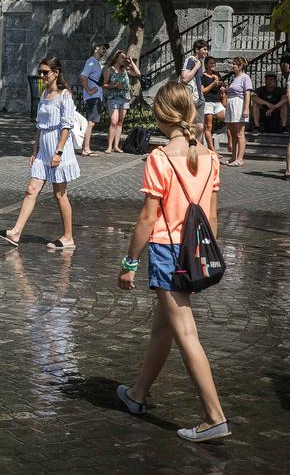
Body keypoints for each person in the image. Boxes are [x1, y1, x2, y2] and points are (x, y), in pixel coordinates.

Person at [115, 81, 229, 444]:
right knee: (163, 329)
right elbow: (212, 219)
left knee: (186, 333)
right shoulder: (210, 157)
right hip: (194, 253)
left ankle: (214, 417)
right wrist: (203, 259)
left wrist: (130, 263)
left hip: (167, 252)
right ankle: (137, 394)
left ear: (162, 116)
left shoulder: (160, 158)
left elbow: (147, 219)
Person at [0, 56, 79, 249]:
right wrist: (35, 150)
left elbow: (67, 126)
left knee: (60, 194)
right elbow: (39, 125)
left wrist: (58, 152)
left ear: (56, 73)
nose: (42, 76)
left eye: (45, 72)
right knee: (31, 190)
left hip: (58, 147)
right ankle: (16, 232)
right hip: (43, 150)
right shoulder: (45, 93)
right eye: (40, 72)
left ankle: (68, 237)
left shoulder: (65, 95)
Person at [103, 49, 140, 153]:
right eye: (122, 57)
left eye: (124, 57)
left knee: (120, 122)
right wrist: (114, 85)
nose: (124, 59)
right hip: (113, 98)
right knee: (113, 121)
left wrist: (131, 61)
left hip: (124, 98)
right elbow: (104, 84)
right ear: (116, 58)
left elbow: (138, 73)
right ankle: (109, 146)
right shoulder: (109, 70)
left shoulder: (125, 70)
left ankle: (116, 146)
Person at [79, 43, 108, 156]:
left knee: (91, 122)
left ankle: (84, 148)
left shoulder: (95, 62)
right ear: (96, 49)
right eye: (103, 48)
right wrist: (89, 90)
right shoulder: (91, 61)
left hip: (95, 96)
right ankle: (86, 148)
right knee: (90, 123)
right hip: (93, 97)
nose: (105, 50)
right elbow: (83, 76)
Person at [223, 57, 252, 167]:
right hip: (231, 105)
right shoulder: (234, 78)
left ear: (240, 66)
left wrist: (246, 108)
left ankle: (240, 159)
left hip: (238, 104)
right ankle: (233, 157)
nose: (232, 66)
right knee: (233, 133)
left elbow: (247, 94)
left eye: (234, 64)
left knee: (239, 133)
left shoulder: (245, 77)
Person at [179, 39, 208, 138]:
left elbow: (198, 80)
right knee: (189, 125)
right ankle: (188, 145)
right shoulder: (190, 60)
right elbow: (184, 78)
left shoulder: (199, 62)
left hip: (199, 98)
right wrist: (196, 67)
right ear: (197, 49)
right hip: (191, 98)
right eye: (204, 49)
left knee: (200, 127)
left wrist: (201, 94)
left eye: (207, 49)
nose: (206, 52)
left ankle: (196, 146)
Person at [200, 57, 226, 152]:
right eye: (211, 63)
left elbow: (223, 85)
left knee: (229, 120)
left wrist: (221, 86)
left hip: (217, 102)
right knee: (209, 126)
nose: (213, 65)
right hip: (208, 103)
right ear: (206, 65)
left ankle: (230, 143)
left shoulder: (217, 74)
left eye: (214, 63)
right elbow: (203, 91)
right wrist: (213, 84)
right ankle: (212, 150)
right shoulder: (202, 76)